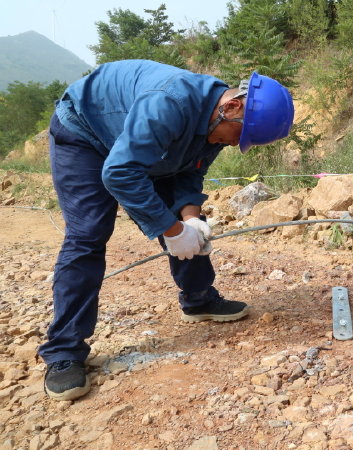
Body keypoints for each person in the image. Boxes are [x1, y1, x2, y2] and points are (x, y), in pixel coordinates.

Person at [39, 59, 294, 401]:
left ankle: (198, 299)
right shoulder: (169, 103)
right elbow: (120, 173)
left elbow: (189, 173)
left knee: (186, 220)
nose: (236, 144)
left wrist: (190, 221)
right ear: (232, 107)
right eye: (240, 135)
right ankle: (64, 351)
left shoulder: (218, 120)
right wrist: (172, 231)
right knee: (89, 233)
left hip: (136, 146)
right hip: (85, 134)